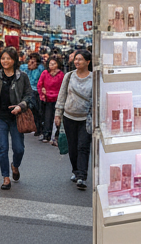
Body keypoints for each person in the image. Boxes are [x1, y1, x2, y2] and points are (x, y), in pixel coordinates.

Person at [0, 46, 33, 191]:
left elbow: (29, 95)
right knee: (2, 148)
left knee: (18, 149)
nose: (5, 61)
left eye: (8, 58)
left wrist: (21, 106)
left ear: (14, 60)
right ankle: (6, 177)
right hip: (0, 118)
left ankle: (15, 166)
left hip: (17, 118)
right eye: (3, 58)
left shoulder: (22, 77)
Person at [54, 47, 93, 190]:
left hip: (85, 118)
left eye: (80, 59)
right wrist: (58, 113)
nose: (77, 61)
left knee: (83, 146)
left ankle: (82, 176)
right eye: (76, 59)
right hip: (69, 116)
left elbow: (96, 99)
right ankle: (76, 171)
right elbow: (62, 95)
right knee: (72, 147)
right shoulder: (69, 76)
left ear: (88, 62)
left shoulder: (94, 78)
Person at [37, 54, 63, 143]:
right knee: (46, 117)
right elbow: (39, 84)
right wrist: (42, 94)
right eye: (50, 63)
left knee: (55, 117)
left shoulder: (61, 75)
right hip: (46, 98)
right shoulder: (45, 73)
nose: (51, 65)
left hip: (57, 98)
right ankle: (46, 134)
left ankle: (55, 135)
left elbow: (61, 88)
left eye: (54, 64)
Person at [24, 53, 44, 133]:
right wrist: (29, 67)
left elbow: (37, 79)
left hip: (36, 90)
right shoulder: (25, 67)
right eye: (30, 59)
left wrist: (35, 67)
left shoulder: (40, 68)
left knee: (36, 108)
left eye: (34, 60)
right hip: (27, 90)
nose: (32, 61)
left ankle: (38, 126)